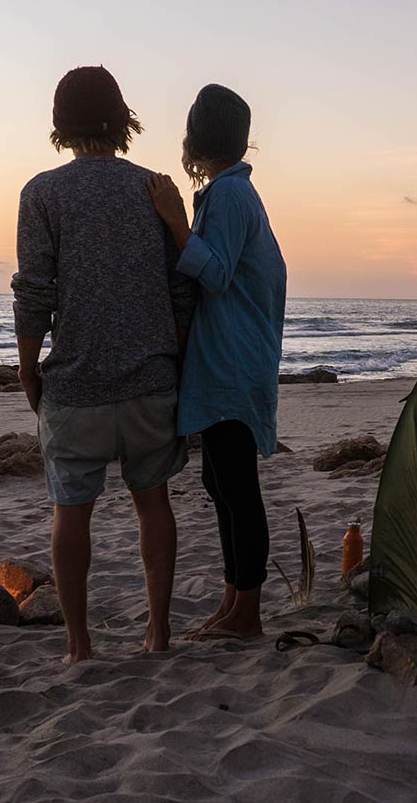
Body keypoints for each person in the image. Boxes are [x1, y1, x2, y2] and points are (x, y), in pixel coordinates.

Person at [12, 65, 196, 663]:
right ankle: (158, 633)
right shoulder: (154, 189)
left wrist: (27, 366)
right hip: (150, 380)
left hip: (77, 385)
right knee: (154, 504)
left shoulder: (42, 193)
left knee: (71, 512)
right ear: (122, 121)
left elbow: (35, 291)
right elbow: (182, 289)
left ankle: (78, 643)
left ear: (60, 126)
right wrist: (179, 359)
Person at [147, 84, 287, 641]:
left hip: (232, 363)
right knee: (219, 480)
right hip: (231, 359)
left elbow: (218, 272)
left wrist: (175, 221)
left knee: (236, 485)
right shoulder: (232, 194)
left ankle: (246, 613)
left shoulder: (228, 198)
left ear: (194, 138)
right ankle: (234, 600)